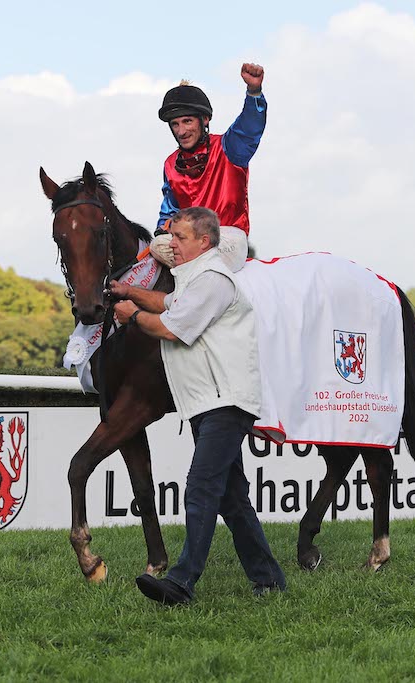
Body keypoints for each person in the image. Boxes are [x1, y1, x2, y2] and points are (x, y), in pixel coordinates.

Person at [111, 206, 286, 605]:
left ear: (204, 242)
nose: (171, 243)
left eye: (180, 237)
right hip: (210, 401)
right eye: (171, 235)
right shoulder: (196, 278)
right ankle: (269, 580)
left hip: (225, 401)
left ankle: (182, 582)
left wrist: (132, 315)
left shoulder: (212, 280)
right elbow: (167, 303)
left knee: (201, 487)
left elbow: (171, 328)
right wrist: (130, 291)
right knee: (231, 498)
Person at [149, 63, 267, 273]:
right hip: (191, 242)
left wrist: (254, 92)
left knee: (198, 251)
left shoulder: (229, 147)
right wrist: (164, 227)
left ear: (204, 120)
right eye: (175, 124)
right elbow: (170, 212)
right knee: (157, 245)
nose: (181, 131)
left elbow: (249, 126)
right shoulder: (170, 164)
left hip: (228, 237)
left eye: (187, 121)